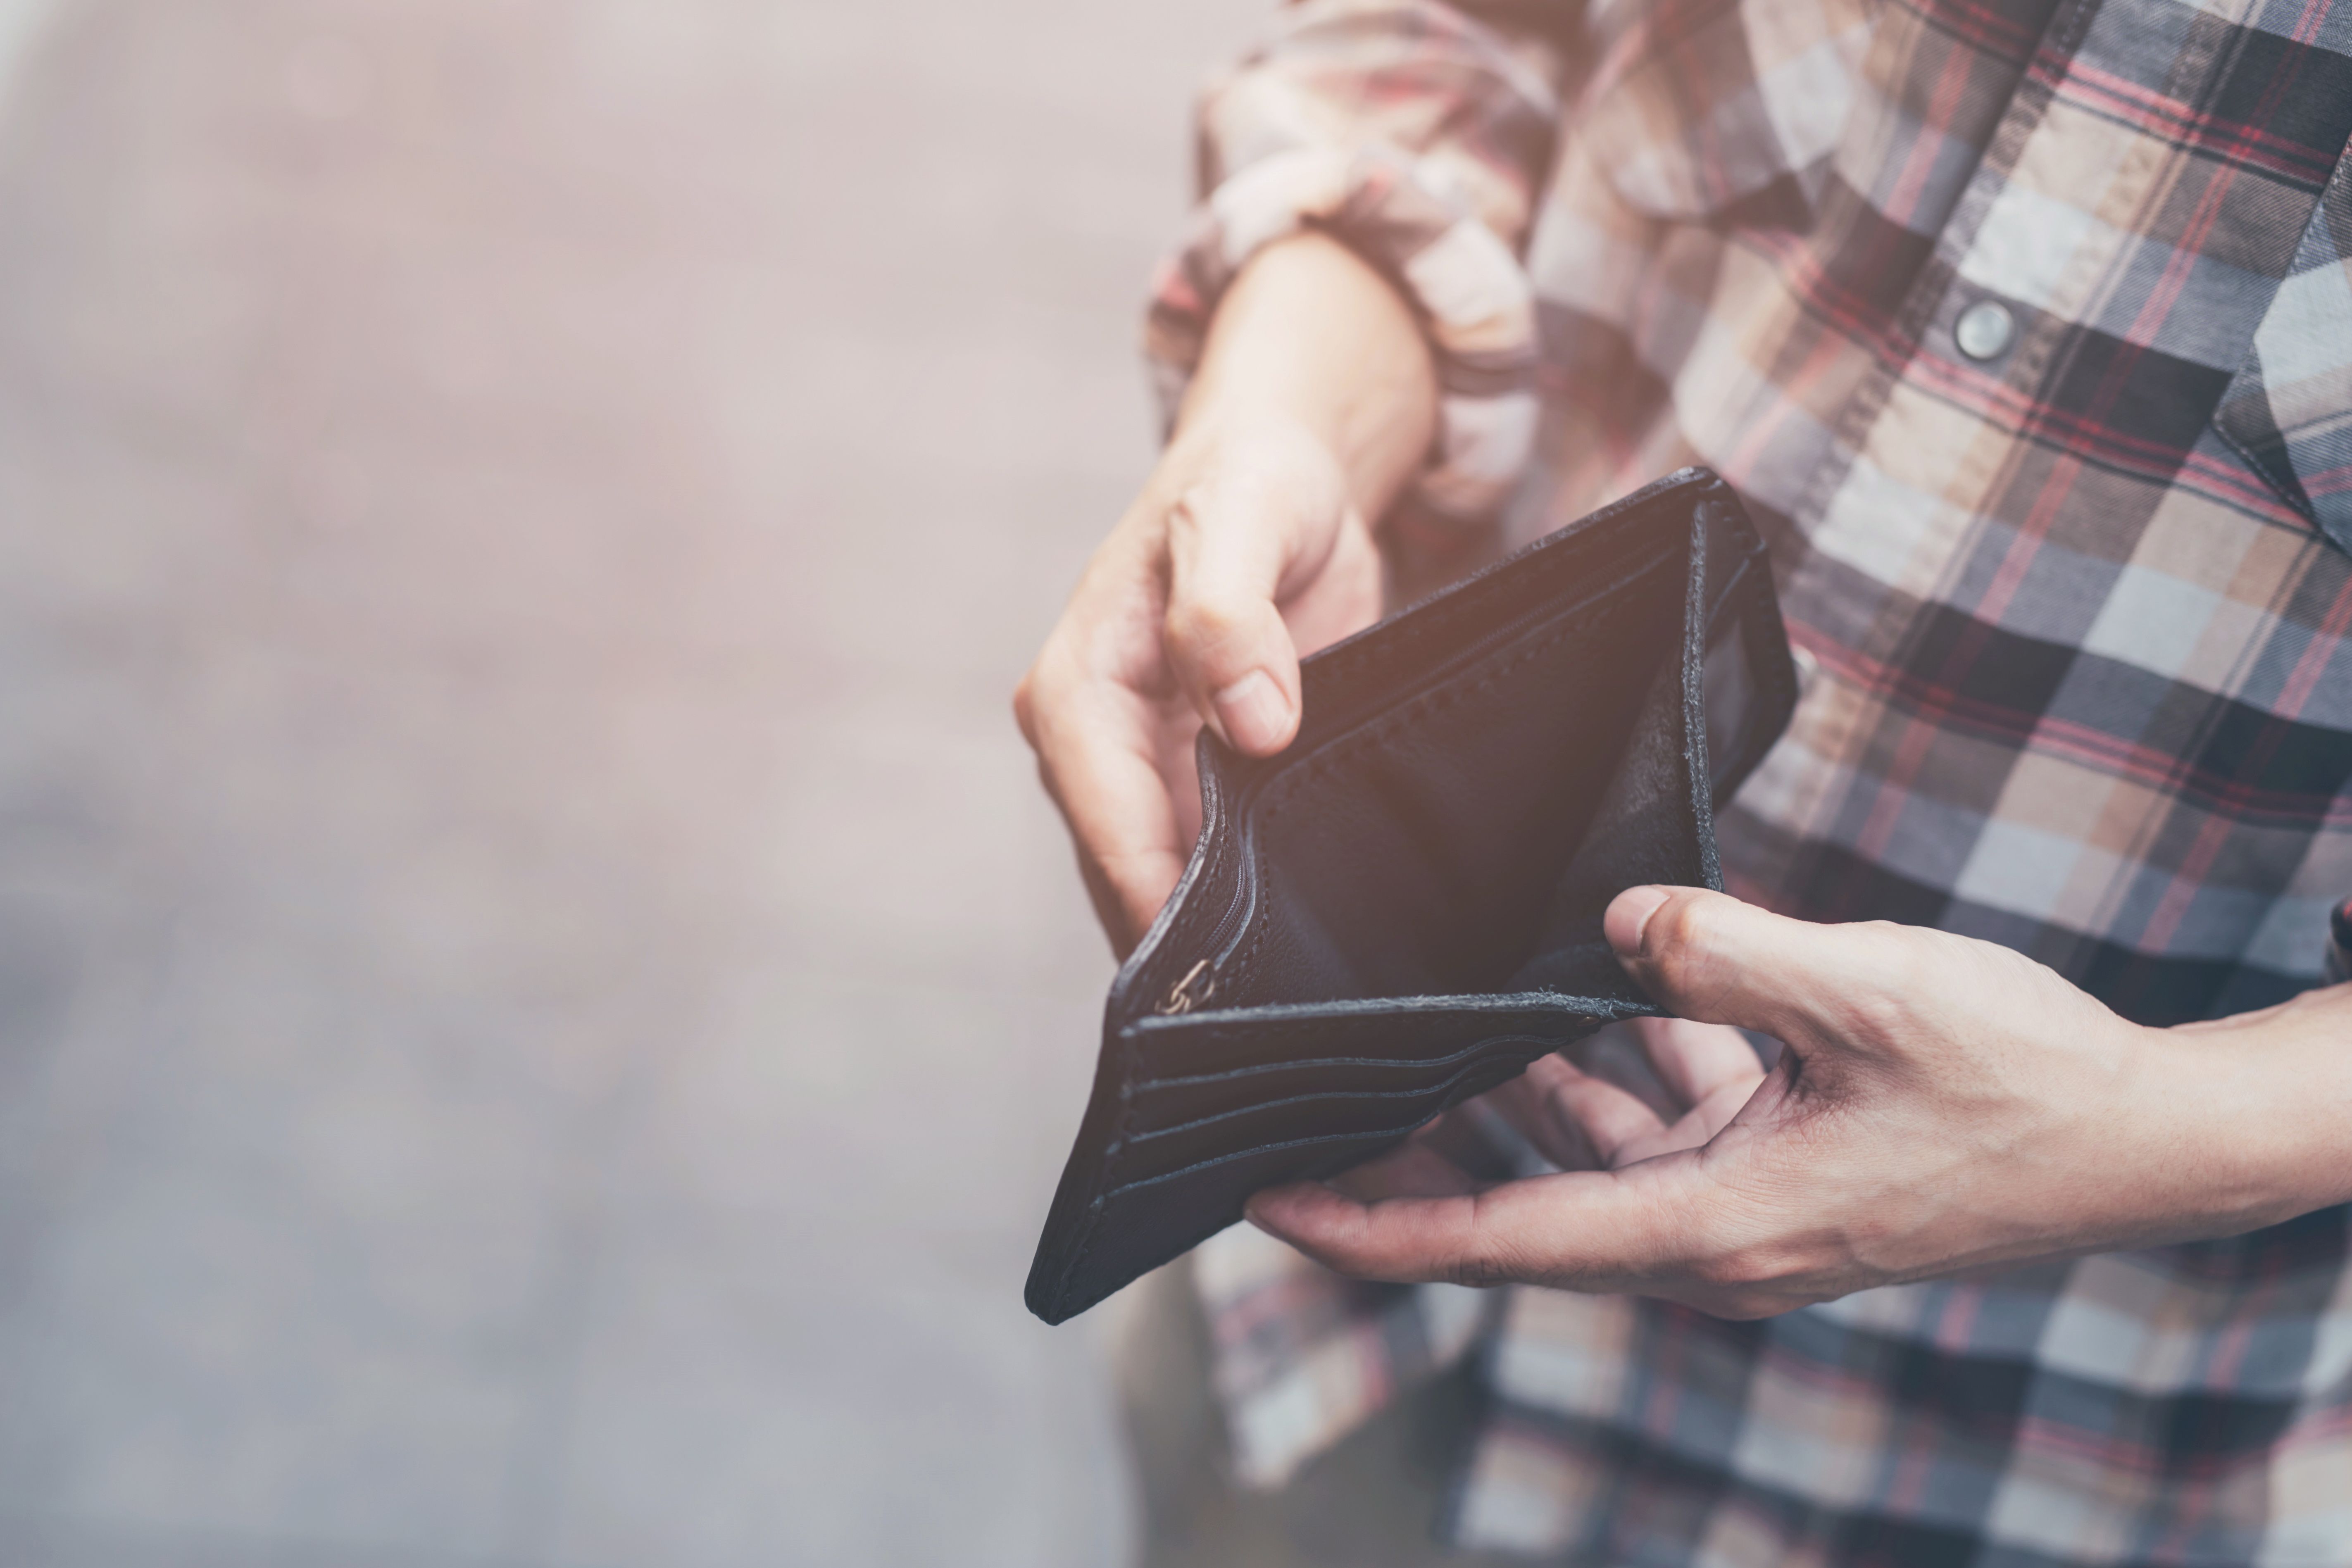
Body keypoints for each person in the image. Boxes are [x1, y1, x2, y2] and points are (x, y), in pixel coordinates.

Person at [1015, 0, 2352, 1559]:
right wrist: (1292, 406)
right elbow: (1464, 38)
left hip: (2077, 1446)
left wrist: (2180, 1125)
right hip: (1350, 1338)